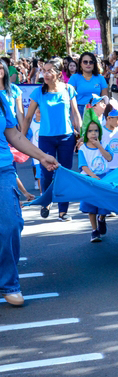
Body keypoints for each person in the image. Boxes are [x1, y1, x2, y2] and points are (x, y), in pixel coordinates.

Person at [1, 82, 58, 306]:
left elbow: (14, 135)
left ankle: (8, 283)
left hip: (3, 170)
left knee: (11, 224)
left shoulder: (1, 100)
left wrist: (42, 156)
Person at [23, 58, 82, 221]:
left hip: (66, 137)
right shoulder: (38, 92)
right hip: (46, 138)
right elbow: (28, 118)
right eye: (44, 70)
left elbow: (75, 113)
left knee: (65, 173)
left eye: (49, 71)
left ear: (58, 73)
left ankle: (63, 211)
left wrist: (82, 132)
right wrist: (21, 137)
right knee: (46, 173)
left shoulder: (69, 89)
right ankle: (46, 201)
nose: (45, 74)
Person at [77, 113, 113, 242]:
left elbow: (109, 158)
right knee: (91, 207)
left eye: (96, 131)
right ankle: (94, 230)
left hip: (104, 178)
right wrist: (93, 176)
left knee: (103, 204)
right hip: (89, 180)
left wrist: (99, 146)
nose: (93, 133)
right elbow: (83, 166)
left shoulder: (104, 144)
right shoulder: (83, 149)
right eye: (90, 131)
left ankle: (101, 219)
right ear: (85, 133)